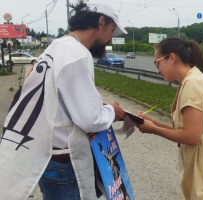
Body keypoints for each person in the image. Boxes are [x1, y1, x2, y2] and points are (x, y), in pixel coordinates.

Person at [0, 0, 127, 199]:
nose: (110, 40)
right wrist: (112, 111)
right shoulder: (77, 54)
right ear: (101, 22)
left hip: (48, 159)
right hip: (65, 166)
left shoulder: (56, 47)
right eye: (111, 31)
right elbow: (90, 120)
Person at [137, 37, 203, 199]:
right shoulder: (192, 80)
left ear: (171, 58)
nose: (157, 69)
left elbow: (191, 137)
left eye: (158, 63)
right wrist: (152, 122)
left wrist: (154, 130)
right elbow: (187, 131)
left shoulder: (192, 85)